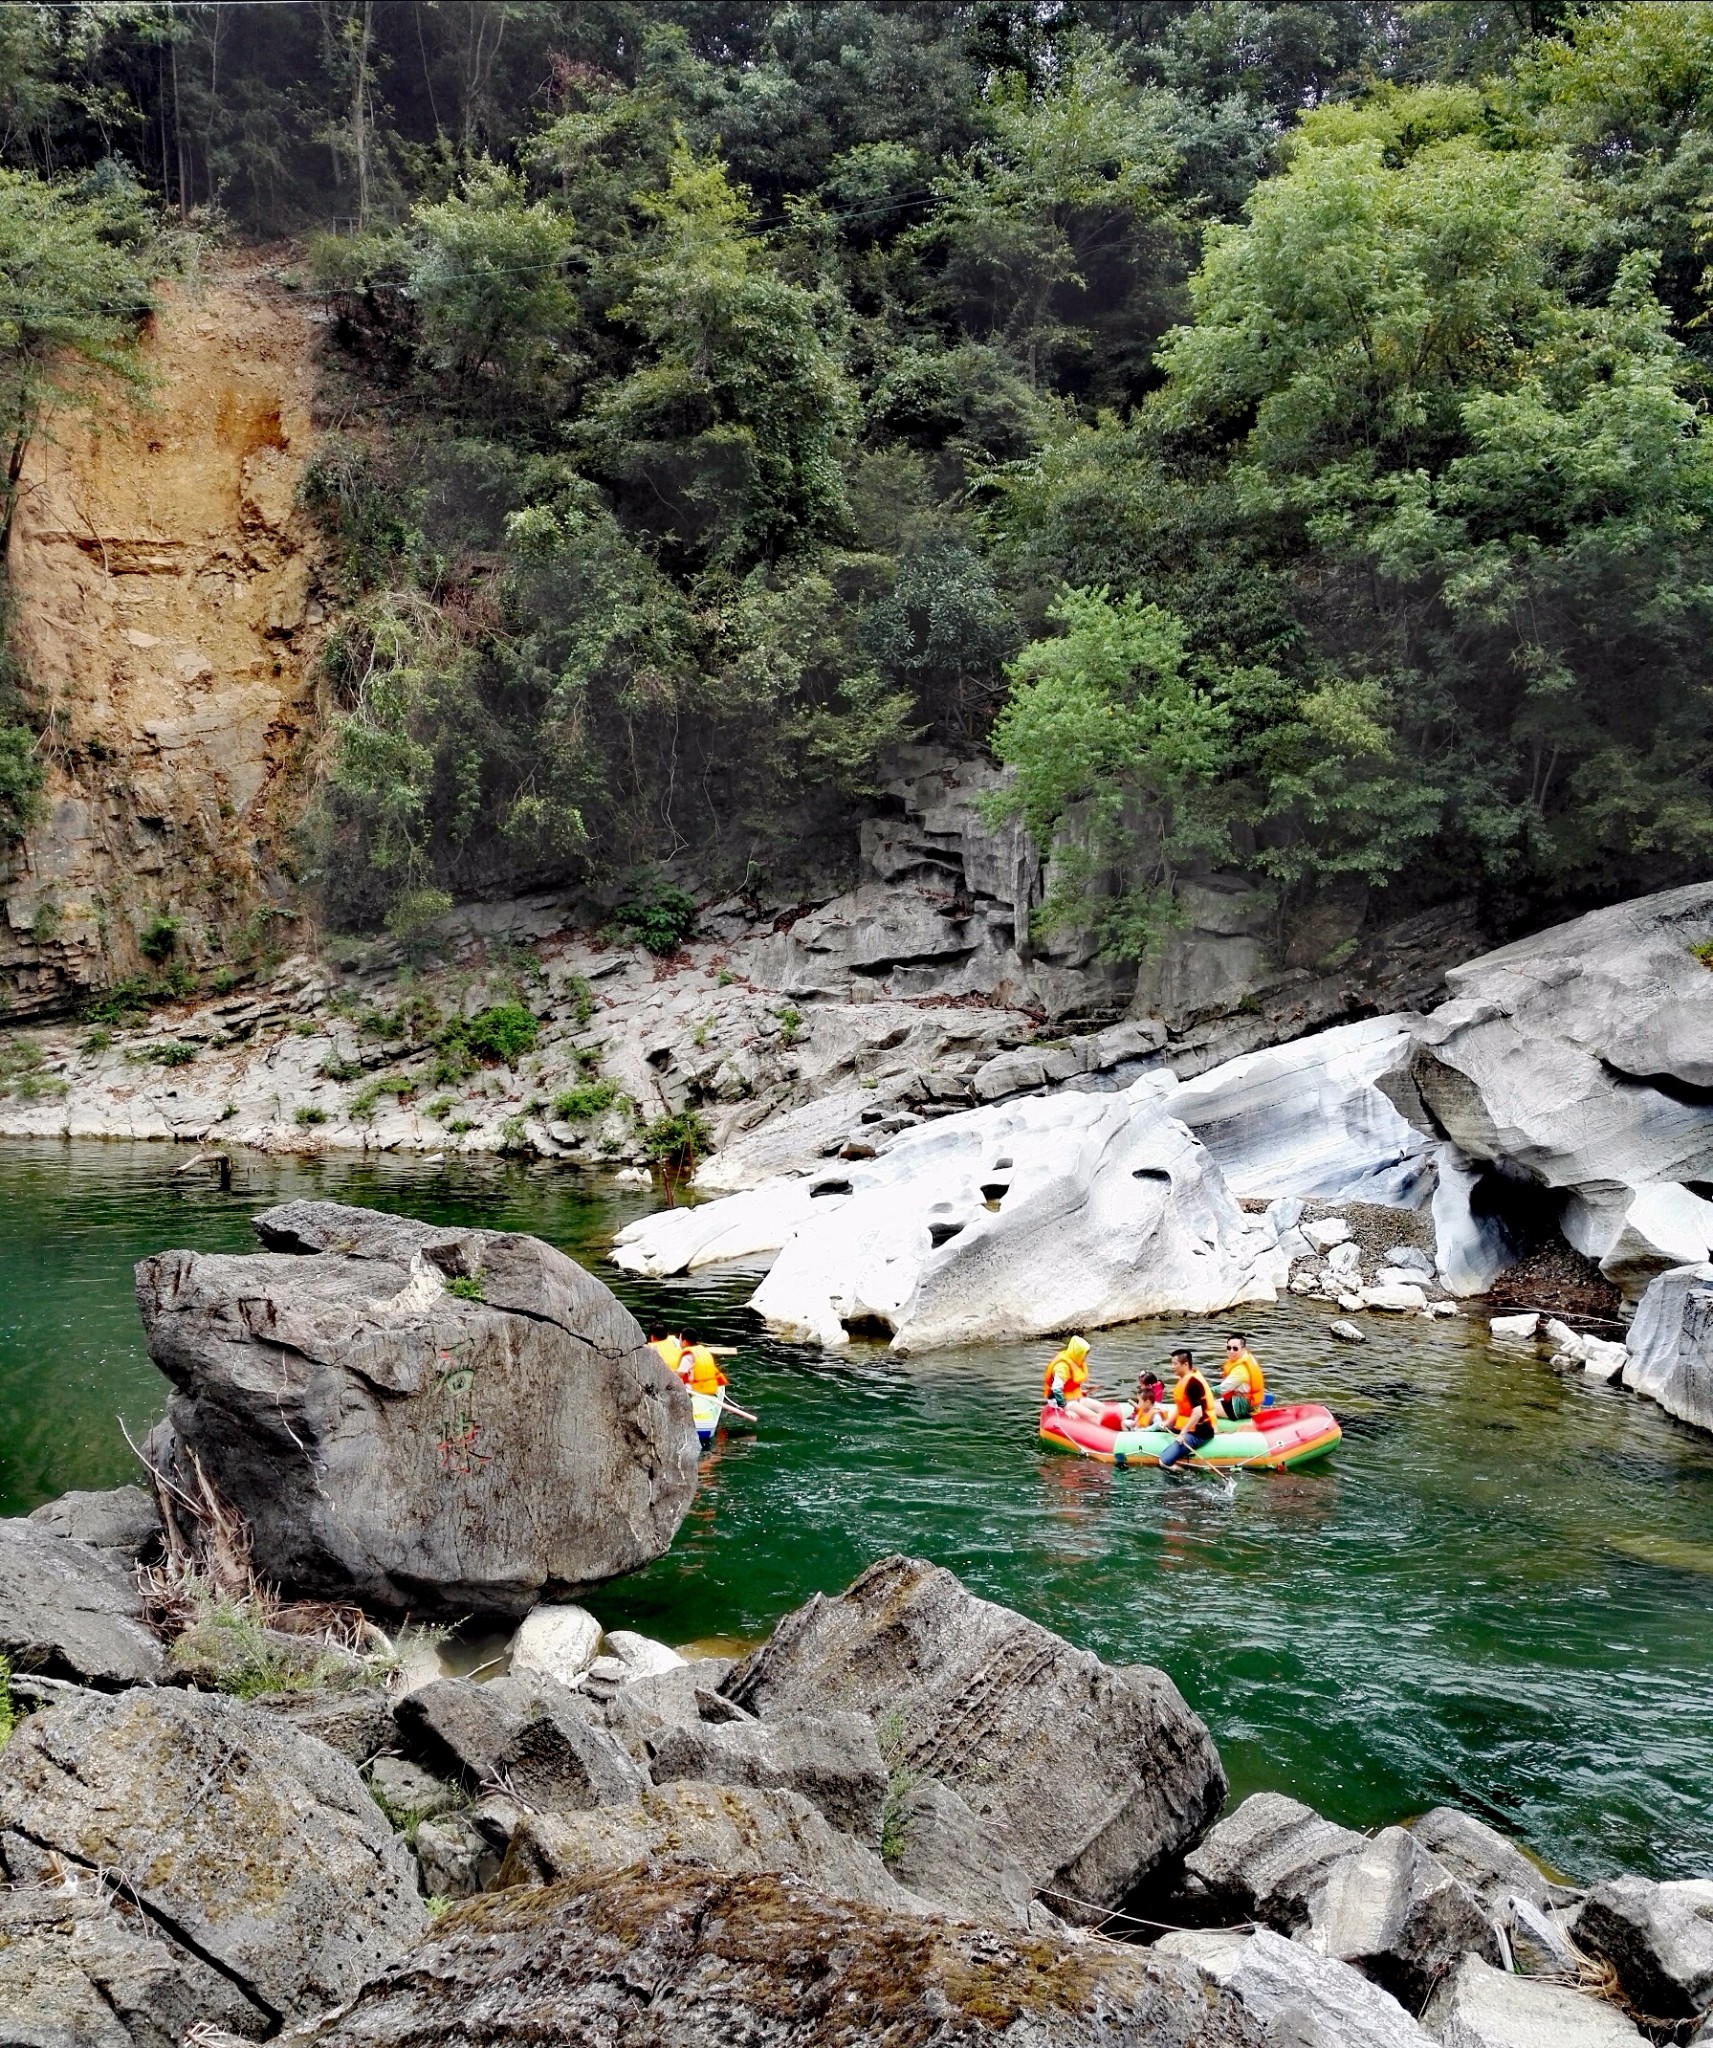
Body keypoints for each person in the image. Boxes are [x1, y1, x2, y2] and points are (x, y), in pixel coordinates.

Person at [1158, 1349, 1219, 1468]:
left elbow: (1198, 1413)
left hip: (1199, 1433)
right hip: (1188, 1427)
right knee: (1158, 1426)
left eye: (1175, 1364)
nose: (1172, 1367)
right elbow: (1181, 1407)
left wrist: (1182, 1433)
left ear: (1185, 1364)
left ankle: (1185, 1475)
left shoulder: (1192, 1384)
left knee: (1164, 1461)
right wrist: (1168, 1422)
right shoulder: (1183, 1379)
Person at [1218, 1334, 1265, 1420]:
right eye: (1228, 1348)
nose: (1231, 1351)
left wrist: (1203, 1391)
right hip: (1251, 1405)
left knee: (1204, 1406)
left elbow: (1222, 1388)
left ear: (1243, 1349)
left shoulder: (1240, 1369)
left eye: (1235, 1348)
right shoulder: (1247, 1358)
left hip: (1241, 1408)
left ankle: (1213, 1430)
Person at [1042, 1335, 1092, 1408]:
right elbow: (1056, 1389)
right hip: (1057, 1401)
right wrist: (1064, 1406)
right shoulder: (1062, 1367)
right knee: (1092, 1416)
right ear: (1077, 1353)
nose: (1085, 1358)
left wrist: (1079, 1392)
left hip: (1071, 1397)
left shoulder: (1074, 1361)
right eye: (1084, 1355)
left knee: (1098, 1409)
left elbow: (1069, 1383)